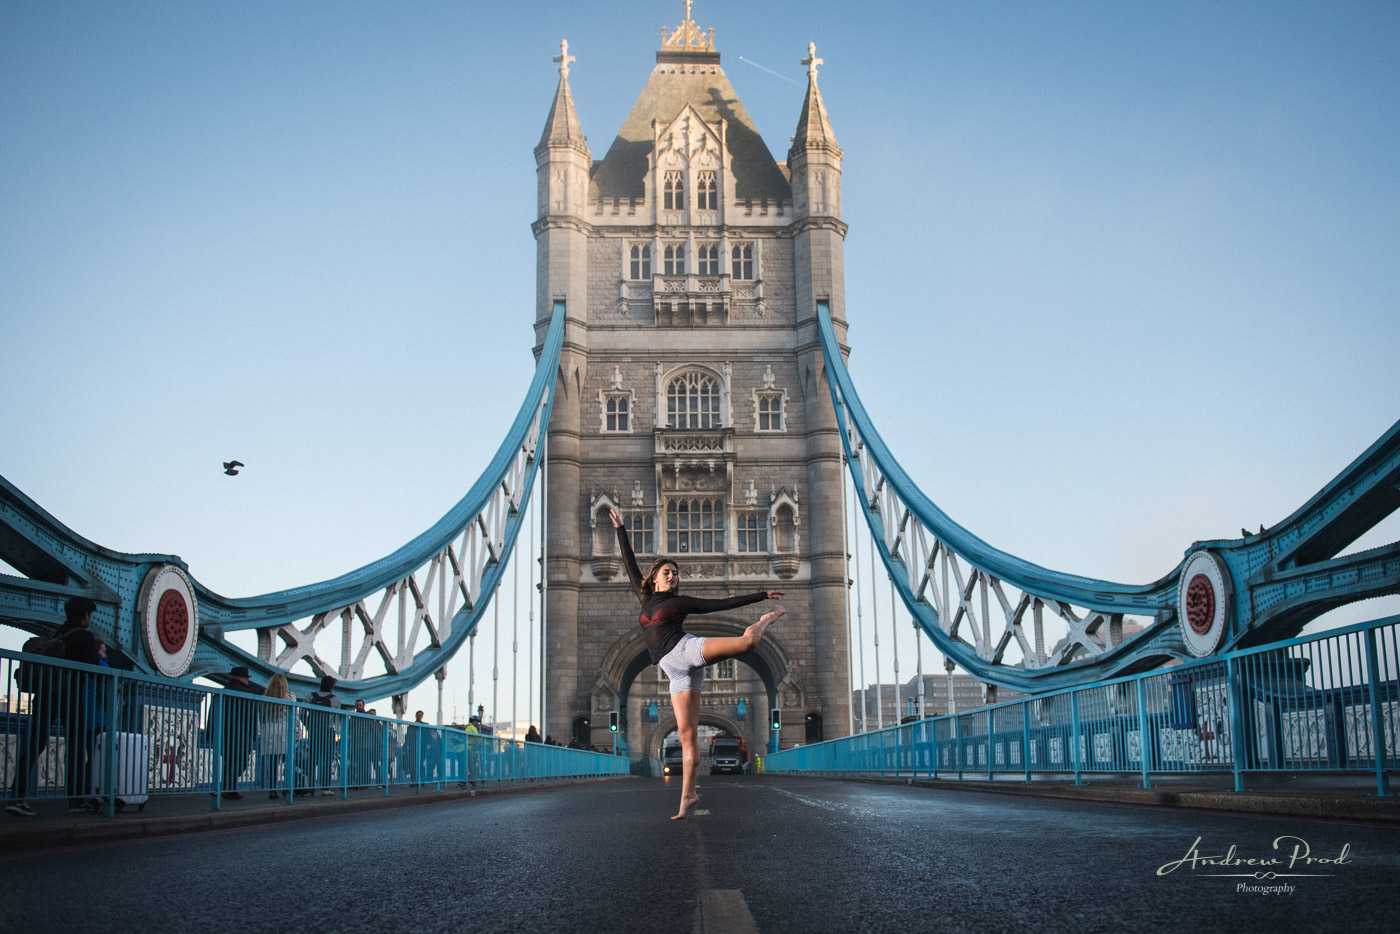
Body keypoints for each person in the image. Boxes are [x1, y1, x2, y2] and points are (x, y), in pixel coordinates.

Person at [608, 506, 783, 820]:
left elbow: (721, 604)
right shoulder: (644, 596)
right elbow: (629, 561)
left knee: (748, 643)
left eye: (676, 573)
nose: (673, 576)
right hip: (672, 670)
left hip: (686, 650)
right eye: (668, 572)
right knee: (686, 736)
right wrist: (621, 528)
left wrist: (761, 596)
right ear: (655, 578)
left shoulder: (679, 602)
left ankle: (765, 620)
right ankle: (687, 797)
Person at [216, 666, 263, 800]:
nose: (247, 680)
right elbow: (252, 716)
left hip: (224, 733)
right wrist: (253, 734)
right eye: (246, 678)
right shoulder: (247, 693)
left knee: (229, 761)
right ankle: (229, 785)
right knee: (242, 761)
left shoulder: (223, 692)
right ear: (240, 678)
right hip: (242, 733)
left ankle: (230, 790)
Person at [257, 673, 295, 800]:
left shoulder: (264, 698)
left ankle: (272, 790)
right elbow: (294, 717)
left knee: (273, 763)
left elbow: (261, 717)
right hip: (285, 732)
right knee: (288, 762)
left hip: (269, 731)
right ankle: (287, 788)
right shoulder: (290, 697)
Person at [302, 676, 341, 796]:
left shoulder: (310, 696)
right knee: (327, 760)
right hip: (328, 732)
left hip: (314, 732)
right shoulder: (334, 699)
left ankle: (309, 785)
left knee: (311, 759)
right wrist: (339, 734)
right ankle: (325, 788)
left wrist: (309, 727)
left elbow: (302, 714)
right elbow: (336, 719)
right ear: (332, 686)